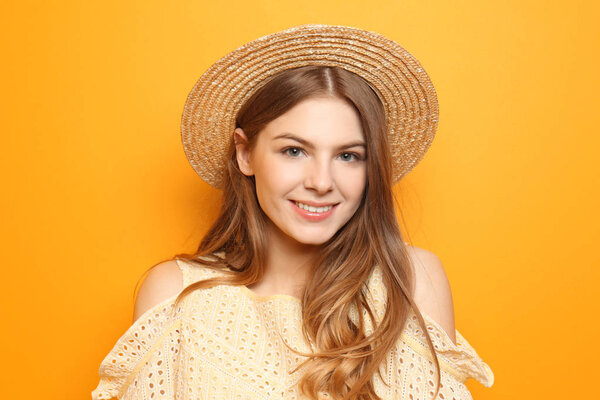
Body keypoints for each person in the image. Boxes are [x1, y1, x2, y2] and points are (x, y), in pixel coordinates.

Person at [92, 24, 494, 400]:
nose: (321, 181)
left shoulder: (410, 281)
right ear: (245, 153)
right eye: (294, 151)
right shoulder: (176, 295)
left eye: (349, 156)